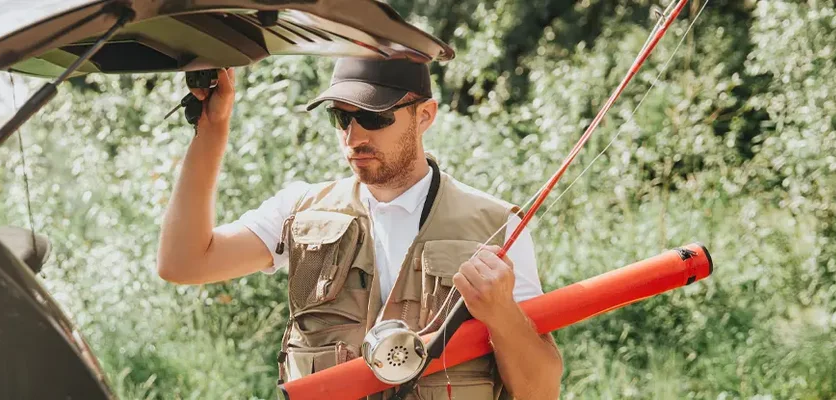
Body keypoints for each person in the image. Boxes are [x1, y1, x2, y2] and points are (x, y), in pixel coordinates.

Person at [156, 58, 563, 399]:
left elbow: (541, 391)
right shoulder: (299, 210)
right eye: (341, 117)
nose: (354, 136)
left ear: (425, 115)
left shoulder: (497, 225)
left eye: (373, 116)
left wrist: (502, 314)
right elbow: (184, 263)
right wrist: (212, 127)